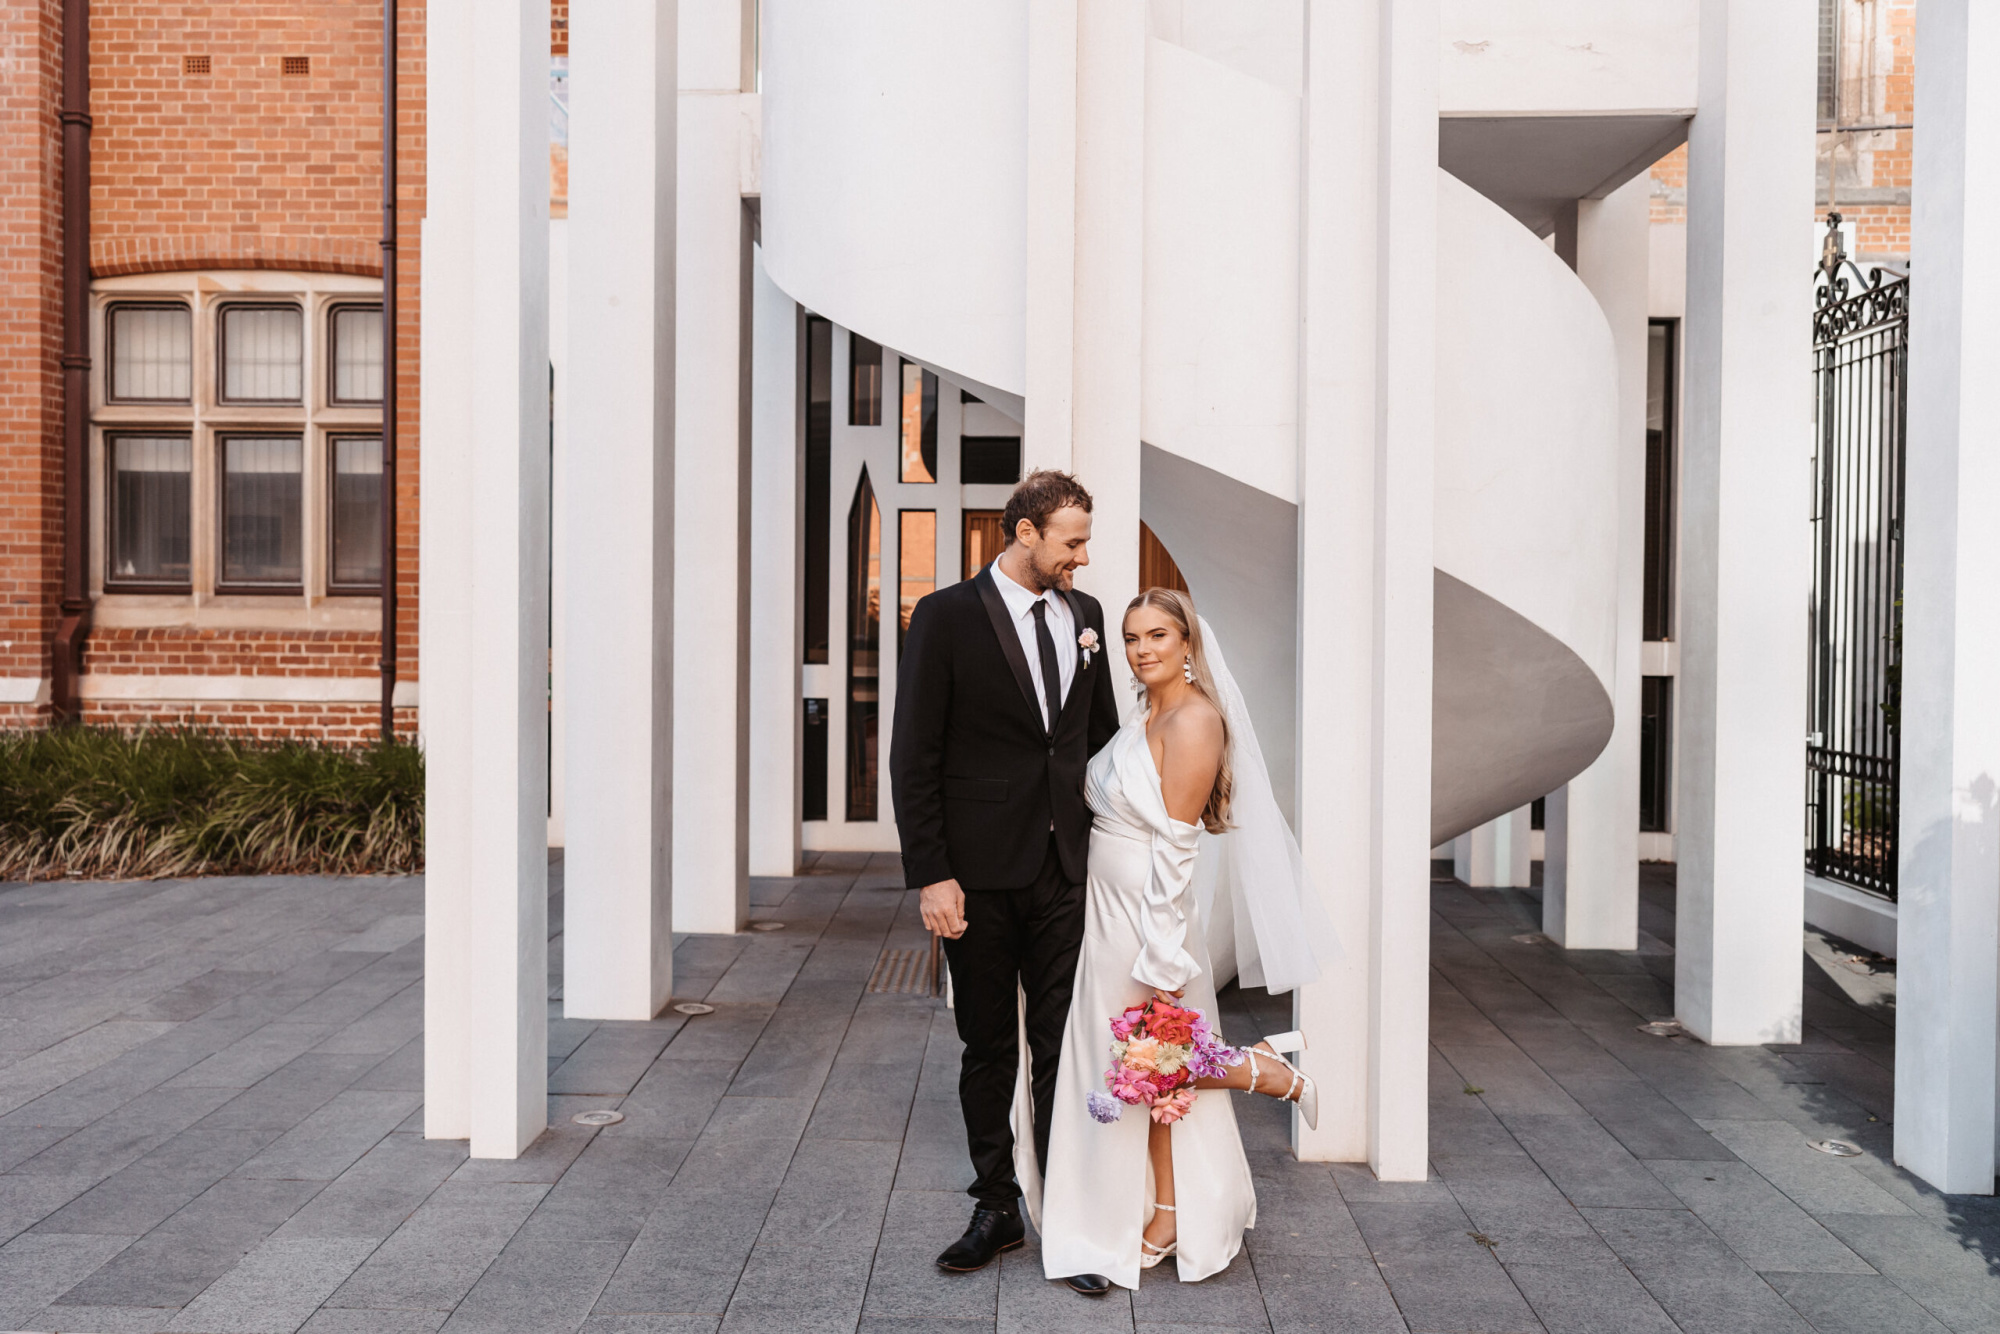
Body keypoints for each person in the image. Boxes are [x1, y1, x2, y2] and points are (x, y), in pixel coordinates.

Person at [1020, 588, 1331, 1289]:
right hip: (1107, 904)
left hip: (1145, 911)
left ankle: (1264, 1074)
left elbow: (1177, 849)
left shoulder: (1193, 720)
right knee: (1140, 1068)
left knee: (1148, 1058)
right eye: (1132, 638)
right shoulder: (1146, 711)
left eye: (1158, 635)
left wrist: (1163, 958)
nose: (1143, 649)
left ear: (1187, 642)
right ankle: (1160, 1212)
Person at [889, 469, 1123, 1296]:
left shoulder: (1086, 618)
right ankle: (996, 1206)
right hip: (977, 878)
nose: (1083, 558)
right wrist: (933, 876)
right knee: (989, 1045)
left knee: (1065, 1046)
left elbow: (1101, 745)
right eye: (1072, 541)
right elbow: (914, 753)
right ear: (1024, 533)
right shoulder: (946, 617)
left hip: (1067, 871)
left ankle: (1066, 1213)